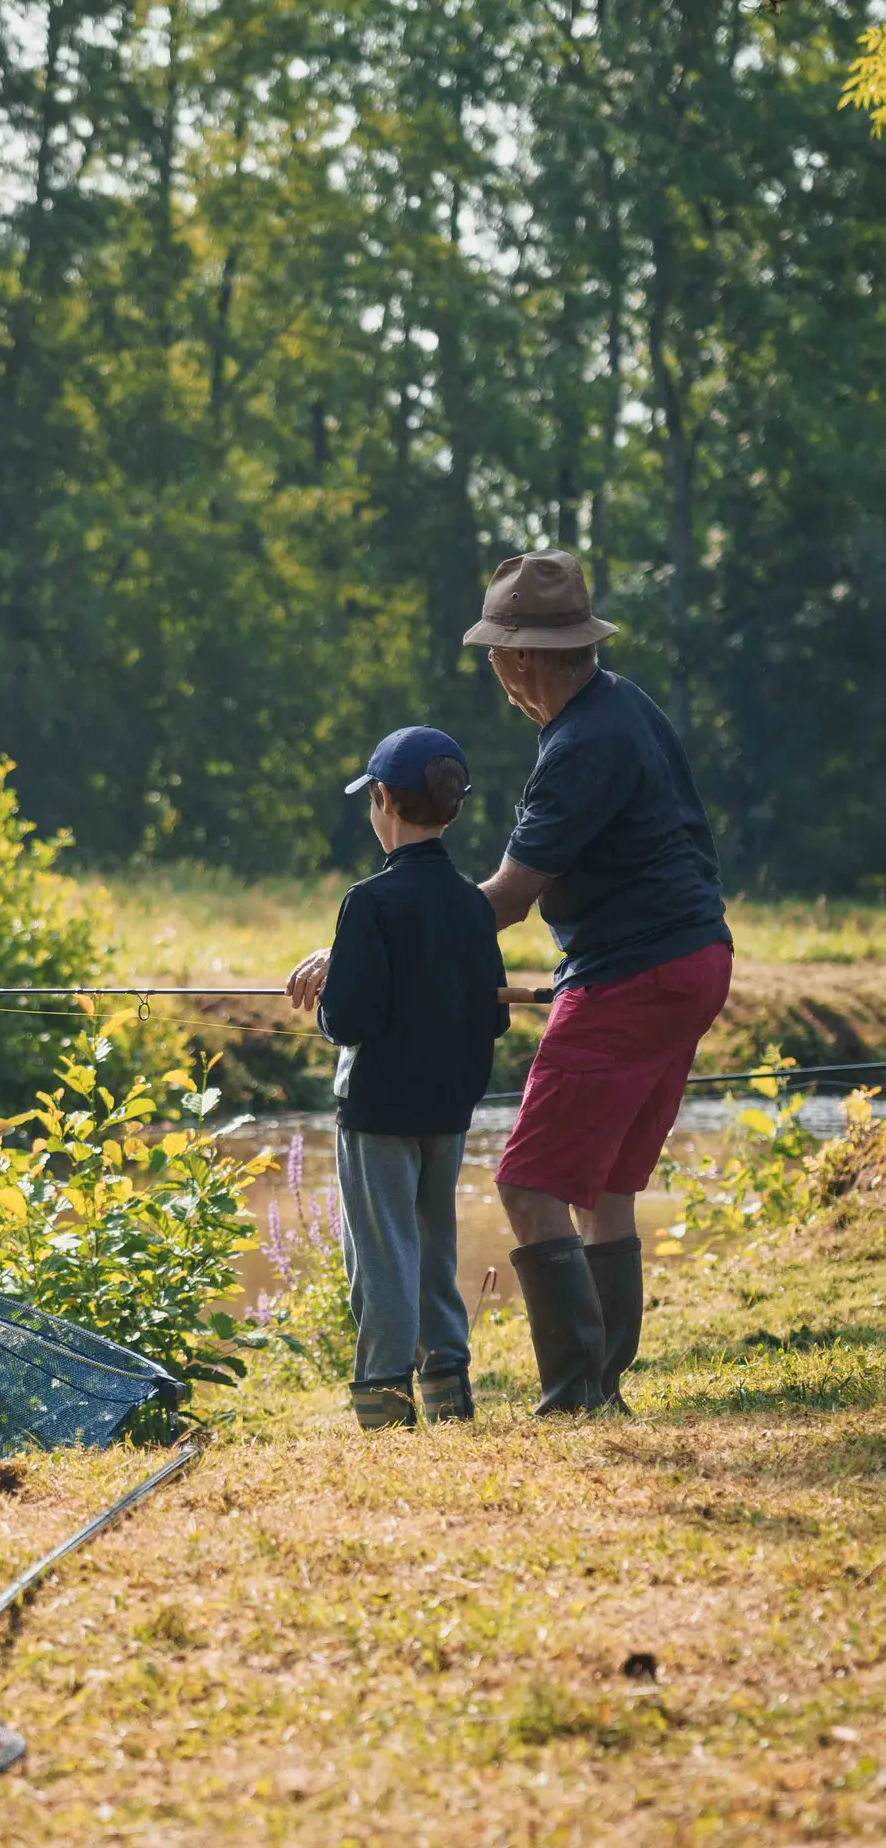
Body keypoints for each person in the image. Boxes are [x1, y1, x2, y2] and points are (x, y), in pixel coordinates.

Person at [463, 548, 732, 1414]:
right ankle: (601, 1384)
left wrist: (379, 938)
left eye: (495, 651)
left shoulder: (579, 744)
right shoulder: (623, 703)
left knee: (529, 1182)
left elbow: (508, 898)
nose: (494, 668)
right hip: (693, 959)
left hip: (634, 974)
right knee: (607, 1185)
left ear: (523, 657)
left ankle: (577, 1395)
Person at [286, 726, 508, 1432]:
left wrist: (327, 1000)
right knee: (434, 1254)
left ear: (383, 799)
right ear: (452, 808)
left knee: (381, 1261)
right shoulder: (474, 904)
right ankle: (449, 1397)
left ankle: (385, 1409)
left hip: (377, 1115)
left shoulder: (369, 901)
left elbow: (348, 1021)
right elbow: (495, 1018)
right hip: (449, 1111)